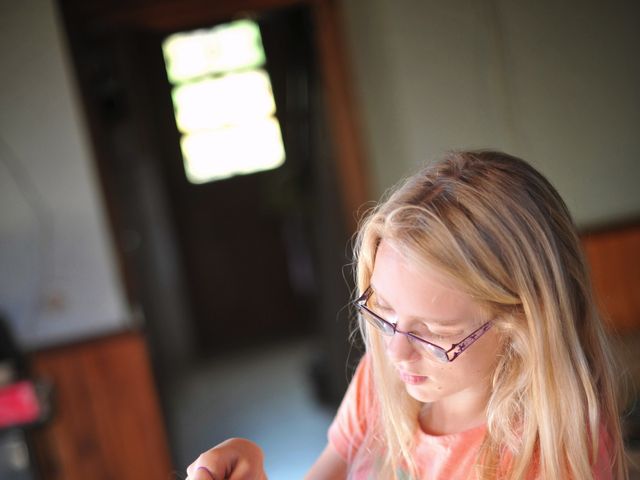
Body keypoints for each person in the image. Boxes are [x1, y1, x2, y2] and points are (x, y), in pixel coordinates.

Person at [186, 151, 628, 479]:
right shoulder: (381, 381)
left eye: (434, 332)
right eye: (385, 311)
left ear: (521, 327)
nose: (396, 352)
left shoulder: (556, 459)